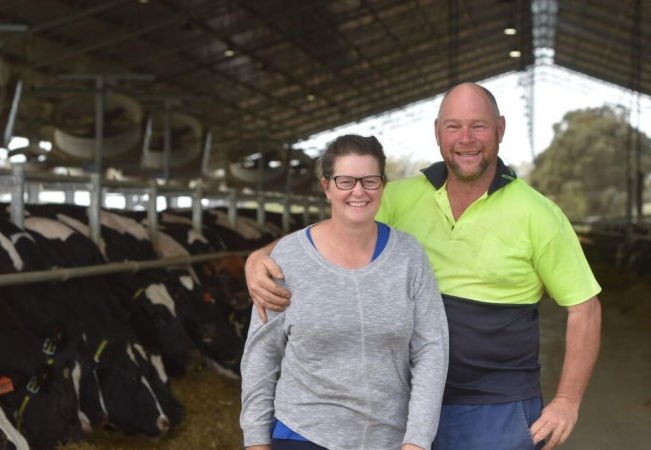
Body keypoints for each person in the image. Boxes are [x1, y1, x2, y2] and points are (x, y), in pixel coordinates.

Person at [245, 83, 602, 450]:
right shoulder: (399, 197)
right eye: (453, 126)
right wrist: (261, 257)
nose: (466, 139)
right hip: (399, 405)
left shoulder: (538, 214)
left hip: (494, 406)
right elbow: (333, 232)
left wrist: (567, 402)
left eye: (478, 126)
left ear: (500, 128)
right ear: (436, 132)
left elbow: (584, 307)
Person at [239, 134, 449, 450]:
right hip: (302, 435)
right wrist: (255, 441)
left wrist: (417, 440)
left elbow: (432, 349)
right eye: (345, 181)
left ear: (383, 185)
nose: (358, 191)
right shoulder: (288, 259)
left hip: (389, 438)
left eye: (370, 180)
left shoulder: (408, 256)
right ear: (326, 186)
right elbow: (261, 355)